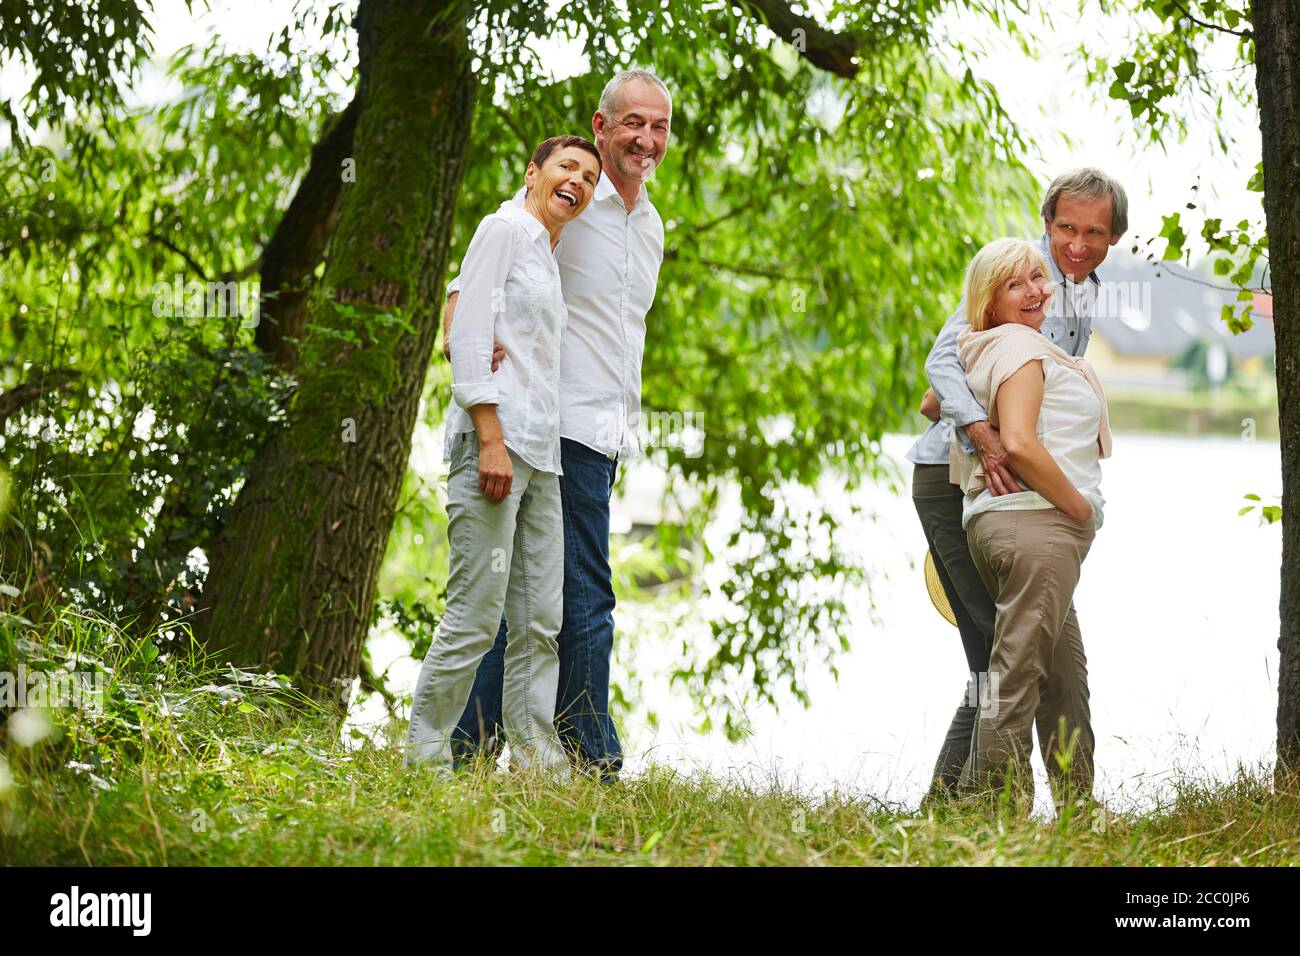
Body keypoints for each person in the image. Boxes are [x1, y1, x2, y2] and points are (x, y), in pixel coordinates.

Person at [442, 70, 671, 780]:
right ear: (601, 128)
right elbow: (478, 277)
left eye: (659, 127)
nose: (646, 139)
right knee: (588, 592)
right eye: (632, 123)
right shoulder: (568, 197)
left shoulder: (652, 225)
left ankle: (472, 743)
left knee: (531, 599)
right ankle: (588, 752)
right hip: (553, 423)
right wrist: (466, 338)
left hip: (604, 435)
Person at [908, 168, 1127, 804]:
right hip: (961, 477)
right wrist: (983, 431)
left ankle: (1058, 804)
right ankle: (957, 808)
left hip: (1021, 493)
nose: (1077, 244)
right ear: (1046, 222)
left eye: (1094, 231)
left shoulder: (1082, 294)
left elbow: (961, 393)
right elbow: (943, 363)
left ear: (1113, 235)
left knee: (1040, 657)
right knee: (996, 656)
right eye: (1066, 228)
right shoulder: (1019, 273)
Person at [404, 135, 603, 773]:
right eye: (567, 167)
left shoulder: (547, 249)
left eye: (589, 177)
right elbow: (465, 334)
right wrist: (490, 438)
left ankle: (538, 759)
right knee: (475, 612)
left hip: (542, 458)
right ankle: (427, 758)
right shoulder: (504, 229)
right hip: (496, 446)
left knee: (540, 617)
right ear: (533, 173)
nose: (578, 181)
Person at [947, 237, 1112, 810]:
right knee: (1016, 677)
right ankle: (988, 816)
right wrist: (1079, 508)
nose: (1035, 290)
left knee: (1063, 679)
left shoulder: (993, 345)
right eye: (1014, 285)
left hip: (1017, 528)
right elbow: (1018, 443)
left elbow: (929, 400)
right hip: (1037, 524)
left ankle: (1076, 812)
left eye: (1037, 277)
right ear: (988, 303)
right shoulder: (1017, 345)